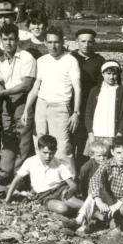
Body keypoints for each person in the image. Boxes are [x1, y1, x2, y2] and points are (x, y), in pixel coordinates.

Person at [64, 136, 123, 244]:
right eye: (118, 152)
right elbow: (95, 179)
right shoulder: (107, 163)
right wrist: (98, 201)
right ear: (112, 152)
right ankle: (79, 220)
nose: (122, 157)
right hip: (110, 202)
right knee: (94, 193)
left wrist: (118, 204)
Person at [21, 26, 81, 176]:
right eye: (49, 42)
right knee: (40, 144)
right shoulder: (41, 60)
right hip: (41, 106)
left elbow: (77, 89)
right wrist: (26, 109)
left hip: (61, 107)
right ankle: (43, 179)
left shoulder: (71, 60)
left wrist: (76, 112)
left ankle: (69, 185)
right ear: (45, 43)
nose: (53, 46)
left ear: (62, 42)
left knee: (63, 147)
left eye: (56, 42)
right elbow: (35, 88)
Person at [0, 24, 36, 185]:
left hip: (22, 99)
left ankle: (18, 175)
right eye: (5, 39)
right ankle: (5, 172)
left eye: (12, 39)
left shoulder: (27, 57)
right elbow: (0, 82)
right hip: (6, 100)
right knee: (7, 135)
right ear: (1, 40)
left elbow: (27, 84)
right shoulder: (0, 59)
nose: (8, 43)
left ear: (17, 39)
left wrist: (4, 92)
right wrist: (0, 90)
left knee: (22, 137)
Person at [5, 135, 84, 215]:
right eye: (45, 153)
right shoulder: (31, 161)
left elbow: (73, 184)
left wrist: (70, 190)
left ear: (55, 151)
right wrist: (7, 200)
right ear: (38, 149)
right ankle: (79, 213)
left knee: (71, 201)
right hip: (44, 195)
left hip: (60, 189)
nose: (48, 156)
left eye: (51, 153)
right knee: (62, 208)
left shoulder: (59, 164)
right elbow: (16, 180)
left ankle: (94, 214)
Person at [70, 29, 105, 173]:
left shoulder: (99, 60)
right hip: (70, 105)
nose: (86, 45)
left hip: (90, 107)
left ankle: (82, 174)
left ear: (94, 42)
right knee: (69, 140)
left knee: (85, 141)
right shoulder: (70, 58)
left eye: (90, 42)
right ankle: (70, 173)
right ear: (77, 42)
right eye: (83, 41)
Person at [84, 60, 123, 154]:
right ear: (102, 74)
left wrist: (119, 134)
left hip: (113, 135)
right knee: (95, 160)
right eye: (108, 73)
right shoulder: (95, 91)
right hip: (96, 134)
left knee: (111, 161)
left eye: (114, 74)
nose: (111, 77)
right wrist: (90, 134)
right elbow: (88, 114)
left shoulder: (122, 91)